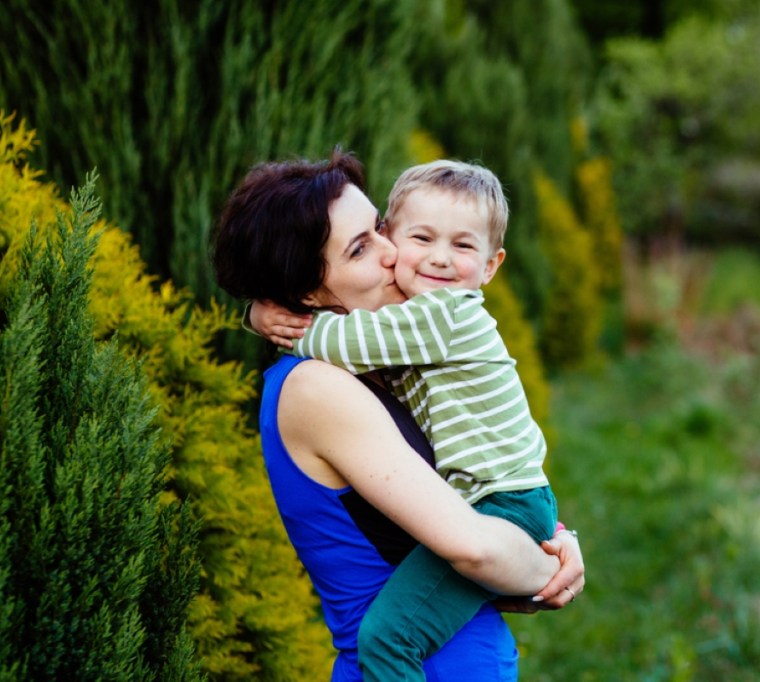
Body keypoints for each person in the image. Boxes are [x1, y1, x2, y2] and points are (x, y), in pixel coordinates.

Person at [211, 150, 584, 682]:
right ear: (306, 292)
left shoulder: (395, 364)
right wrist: (549, 567)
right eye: (362, 247)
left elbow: (455, 524)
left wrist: (550, 537)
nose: (394, 254)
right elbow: (473, 548)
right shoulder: (316, 387)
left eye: (381, 229)